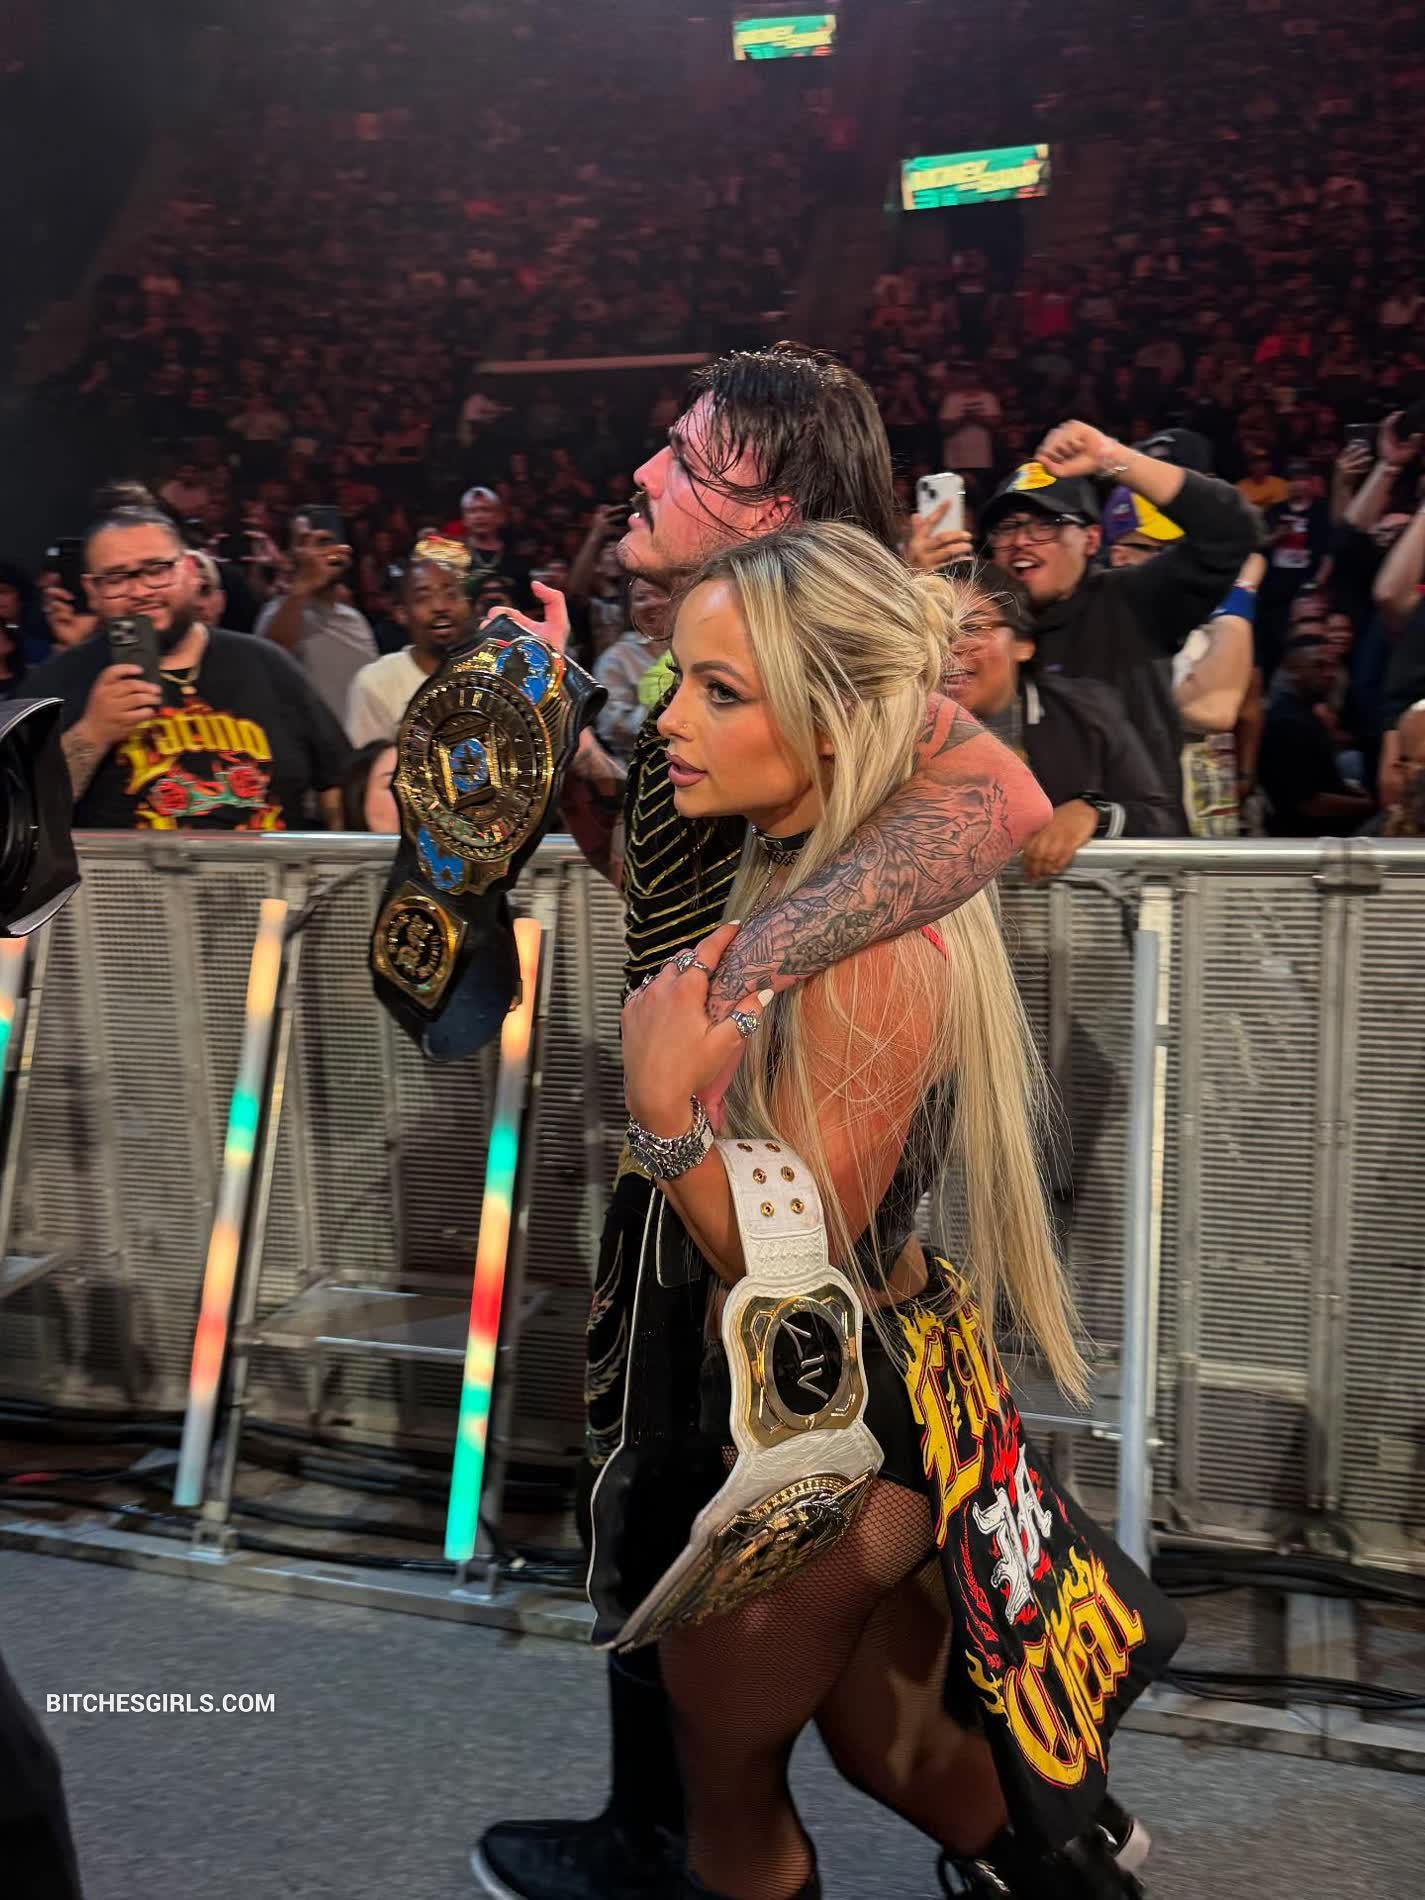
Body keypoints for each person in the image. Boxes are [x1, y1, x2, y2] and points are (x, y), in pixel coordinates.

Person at [472, 344, 1140, 1900]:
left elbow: (997, 802)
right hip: (792, 1314)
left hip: (809, 1346)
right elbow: (654, 866)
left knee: (755, 1757)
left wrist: (686, 1069)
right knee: (870, 1727)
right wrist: (551, 739)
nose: (643, 473)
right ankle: (1053, 1858)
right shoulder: (737, 735)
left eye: (685, 453)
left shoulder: (857, 899)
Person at [602, 522, 1181, 1900]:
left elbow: (792, 1273)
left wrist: (663, 1118)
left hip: (831, 1427)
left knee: (734, 1807)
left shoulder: (871, 955)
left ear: (832, 719)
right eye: (678, 680)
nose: (667, 717)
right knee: (898, 1750)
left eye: (721, 692)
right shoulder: (810, 872)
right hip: (862, 1411)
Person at [979, 422, 1258, 816]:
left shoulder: (1131, 599)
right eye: (1006, 528)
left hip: (1137, 849)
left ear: (1092, 539)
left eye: (1045, 523)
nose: (1021, 540)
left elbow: (1232, 529)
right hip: (1019, 849)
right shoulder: (979, 627)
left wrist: (1113, 458)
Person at [25, 502, 351, 830]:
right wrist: (93, 733)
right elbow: (21, 812)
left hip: (271, 862)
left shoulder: (267, 664)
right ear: (92, 591)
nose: (139, 591)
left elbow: (340, 786)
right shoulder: (57, 681)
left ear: (192, 572)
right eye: (116, 578)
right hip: (126, 865)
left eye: (156, 570)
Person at [949, 564, 1183, 874]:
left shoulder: (1087, 712)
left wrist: (1093, 814)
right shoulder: (897, 723)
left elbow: (1164, 822)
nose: (949, 647)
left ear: (1023, 644)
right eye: (932, 629)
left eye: (971, 627)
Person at [256, 509, 379, 725]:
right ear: (290, 554)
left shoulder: (355, 621)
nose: (317, 553)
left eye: (325, 542)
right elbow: (272, 657)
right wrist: (302, 587)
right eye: (305, 542)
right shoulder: (276, 613)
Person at [346, 538, 473, 746]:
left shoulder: (492, 671)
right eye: (423, 598)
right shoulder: (376, 683)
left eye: (451, 595)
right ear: (402, 613)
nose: (440, 606)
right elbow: (368, 764)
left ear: (468, 605)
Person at [1258, 633, 1374, 836]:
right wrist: (1370, 805)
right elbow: (1310, 804)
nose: (1329, 674)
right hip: (1308, 839)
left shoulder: (1305, 715)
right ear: (1293, 670)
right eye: (1319, 665)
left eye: (1332, 666)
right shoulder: (1287, 724)